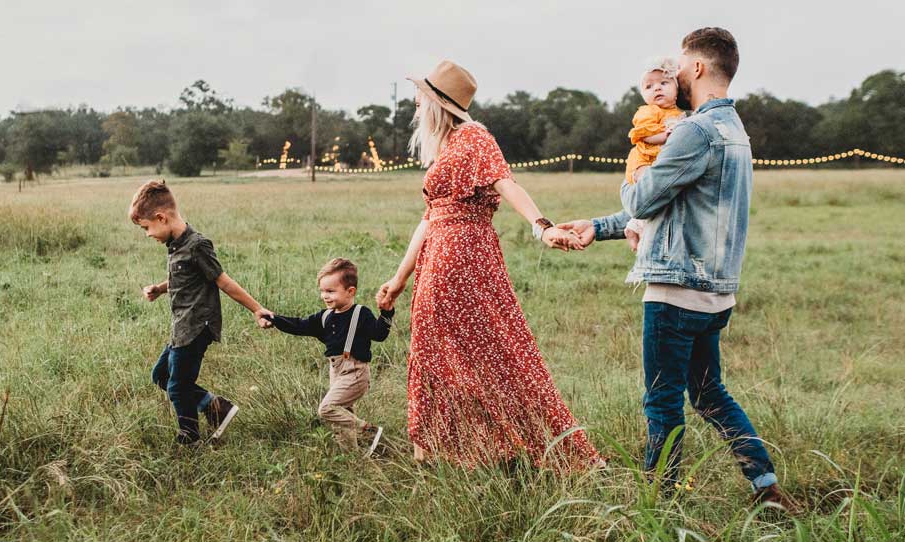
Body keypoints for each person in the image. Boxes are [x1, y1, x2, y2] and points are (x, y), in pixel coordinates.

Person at [558, 28, 797, 510]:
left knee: (662, 401)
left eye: (681, 66)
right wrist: (599, 227)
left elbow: (644, 197)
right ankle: (765, 486)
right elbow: (675, 207)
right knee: (710, 395)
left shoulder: (693, 130)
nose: (675, 75)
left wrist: (635, 176)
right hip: (716, 293)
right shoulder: (735, 132)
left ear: (700, 68)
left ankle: (659, 502)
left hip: (675, 291)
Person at [375, 60, 602, 469]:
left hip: (462, 258)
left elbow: (506, 183)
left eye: (420, 96)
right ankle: (445, 452)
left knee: (492, 353)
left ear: (437, 103)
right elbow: (428, 219)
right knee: (441, 355)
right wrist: (399, 278)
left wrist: (542, 226)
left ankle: (508, 447)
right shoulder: (446, 147)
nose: (414, 102)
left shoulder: (474, 138)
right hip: (439, 259)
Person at [129, 179, 274, 445]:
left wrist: (257, 309)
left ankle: (190, 437)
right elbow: (183, 279)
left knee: (177, 386)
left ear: (161, 218)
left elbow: (223, 281)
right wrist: (160, 288)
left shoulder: (197, 245)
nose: (147, 234)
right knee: (161, 375)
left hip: (196, 327)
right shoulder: (175, 245)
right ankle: (215, 407)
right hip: (181, 326)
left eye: (147, 228)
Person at [264, 258, 393, 456]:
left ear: (350, 291)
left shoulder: (361, 313)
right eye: (323, 291)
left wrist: (387, 312)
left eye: (331, 291)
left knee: (327, 409)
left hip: (356, 372)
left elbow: (379, 334)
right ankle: (351, 458)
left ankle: (368, 431)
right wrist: (273, 319)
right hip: (336, 371)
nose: (325, 296)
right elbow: (299, 325)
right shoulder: (325, 317)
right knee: (342, 418)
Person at [624, 57, 687, 252]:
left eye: (664, 83)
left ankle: (637, 226)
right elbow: (643, 134)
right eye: (649, 86)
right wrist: (664, 136)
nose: (657, 89)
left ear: (676, 90)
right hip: (644, 160)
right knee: (651, 188)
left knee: (661, 195)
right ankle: (638, 227)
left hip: (659, 160)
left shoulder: (679, 113)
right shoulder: (648, 111)